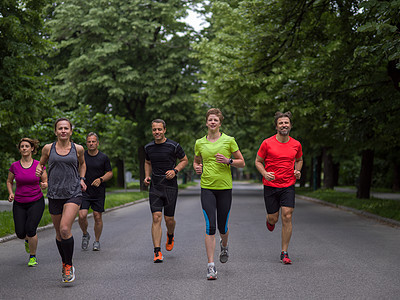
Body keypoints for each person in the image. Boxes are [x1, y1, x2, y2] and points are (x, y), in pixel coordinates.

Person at [193, 108, 245, 280]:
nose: (212, 122)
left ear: (220, 123)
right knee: (210, 227)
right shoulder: (200, 142)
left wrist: (228, 161)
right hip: (207, 187)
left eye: (216, 120)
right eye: (210, 120)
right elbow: (196, 160)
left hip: (224, 188)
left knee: (223, 227)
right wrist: (197, 167)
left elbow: (242, 162)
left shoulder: (229, 140)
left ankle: (224, 245)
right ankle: (210, 266)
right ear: (206, 122)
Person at [36, 118, 87, 283]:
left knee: (65, 229)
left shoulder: (78, 148)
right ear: (55, 131)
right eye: (60, 128)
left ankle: (69, 265)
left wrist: (82, 178)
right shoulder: (48, 148)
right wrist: (40, 172)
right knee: (59, 234)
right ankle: (64, 262)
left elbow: (83, 164)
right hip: (54, 194)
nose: (63, 131)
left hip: (73, 192)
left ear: (71, 131)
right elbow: (41, 165)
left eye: (66, 128)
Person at [255, 111, 303, 265]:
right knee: (273, 218)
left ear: (291, 125)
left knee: (287, 216)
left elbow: (299, 159)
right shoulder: (267, 143)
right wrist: (264, 172)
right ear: (276, 126)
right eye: (281, 123)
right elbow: (258, 161)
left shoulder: (296, 144)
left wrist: (297, 170)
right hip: (270, 185)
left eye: (286, 123)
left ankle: (284, 252)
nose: (284, 125)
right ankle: (270, 221)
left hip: (288, 184)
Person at [144, 119, 188, 263]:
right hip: (155, 187)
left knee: (169, 219)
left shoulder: (173, 146)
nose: (157, 132)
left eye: (159, 129)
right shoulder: (148, 148)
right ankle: (157, 252)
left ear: (165, 130)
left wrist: (175, 171)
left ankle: (170, 234)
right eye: (154, 129)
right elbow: (147, 162)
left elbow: (184, 160)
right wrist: (147, 176)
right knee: (156, 217)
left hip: (170, 187)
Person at [6, 138, 48, 267]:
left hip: (36, 201)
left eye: (27, 146)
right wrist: (11, 193)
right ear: (19, 149)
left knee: (31, 229)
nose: (24, 148)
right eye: (22, 146)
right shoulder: (15, 166)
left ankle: (32, 256)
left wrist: (44, 184)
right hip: (19, 202)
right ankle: (27, 240)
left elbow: (45, 180)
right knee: (20, 233)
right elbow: (9, 181)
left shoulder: (38, 165)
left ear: (32, 149)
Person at [78, 132, 113, 251]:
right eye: (89, 142)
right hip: (84, 191)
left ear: (98, 143)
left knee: (97, 216)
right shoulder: (82, 156)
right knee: (82, 216)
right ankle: (85, 234)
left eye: (93, 141)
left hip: (98, 192)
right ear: (86, 143)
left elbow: (110, 173)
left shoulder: (103, 157)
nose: (91, 144)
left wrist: (101, 179)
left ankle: (96, 241)